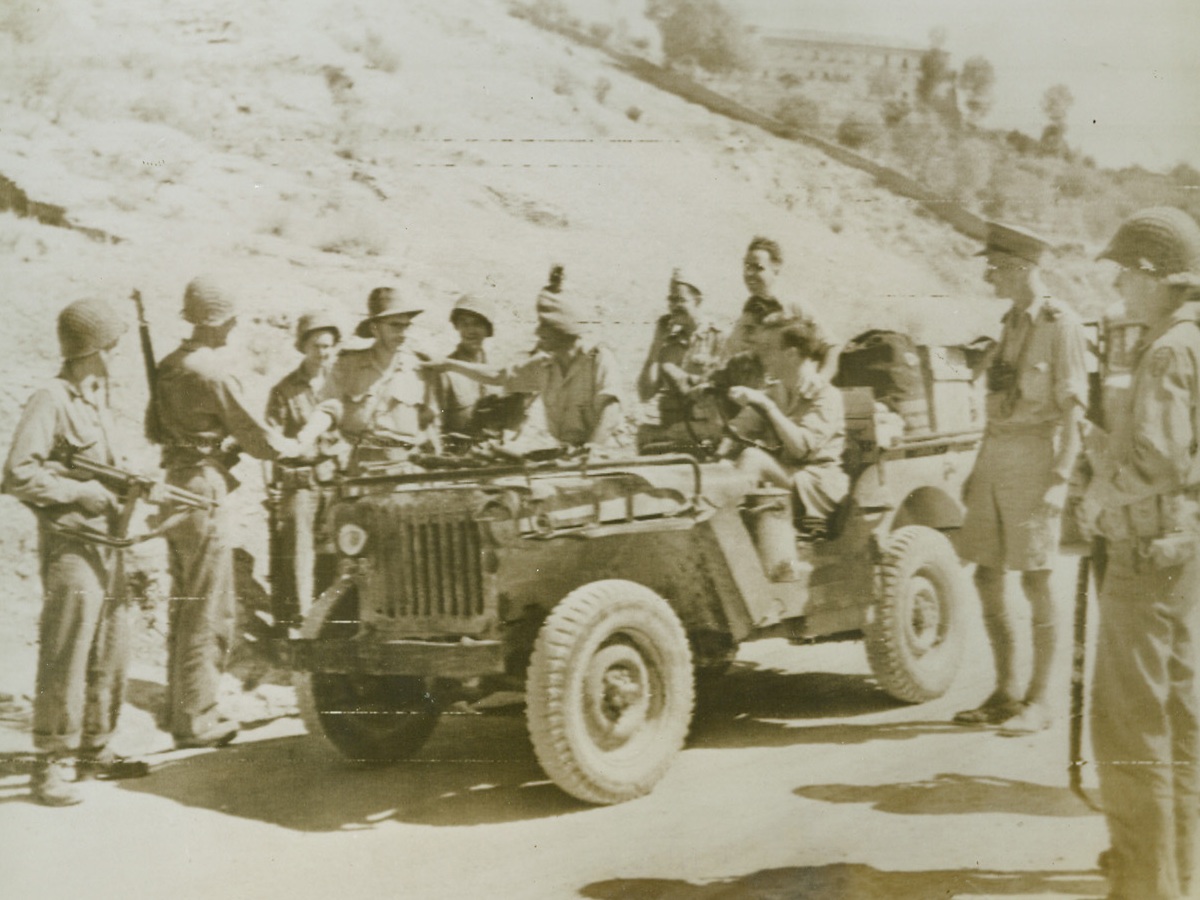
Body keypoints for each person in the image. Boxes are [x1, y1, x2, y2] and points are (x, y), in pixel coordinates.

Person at [1079, 206, 1200, 900]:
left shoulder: (1165, 349)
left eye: (1125, 272)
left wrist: (1100, 499)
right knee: (1177, 725)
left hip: (1143, 557)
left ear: (1155, 277)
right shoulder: (1188, 342)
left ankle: (1146, 888)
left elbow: (1156, 462)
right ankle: (1178, 876)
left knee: (1129, 731)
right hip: (1178, 553)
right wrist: (1102, 447)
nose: (1119, 285)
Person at [2, 298, 148, 805]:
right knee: (67, 649)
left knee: (111, 645)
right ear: (92, 348)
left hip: (107, 542)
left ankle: (94, 748)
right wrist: (78, 494)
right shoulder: (52, 398)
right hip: (71, 544)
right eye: (112, 345)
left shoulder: (93, 399)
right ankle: (52, 761)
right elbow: (19, 474)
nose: (118, 354)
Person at [154, 275, 300, 749]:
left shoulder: (169, 366)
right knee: (208, 608)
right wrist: (295, 448)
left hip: (174, 482)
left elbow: (152, 427)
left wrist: (203, 437)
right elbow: (258, 437)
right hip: (203, 488)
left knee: (183, 603)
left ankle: (182, 708)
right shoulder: (211, 371)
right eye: (231, 318)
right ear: (219, 321)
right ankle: (198, 718)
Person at [953, 222, 1088, 735]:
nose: (990, 276)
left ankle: (1040, 699)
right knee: (986, 575)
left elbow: (1075, 412)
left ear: (1025, 268)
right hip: (996, 458)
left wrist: (1060, 480)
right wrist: (976, 469)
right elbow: (997, 401)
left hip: (1036, 459)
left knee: (1035, 580)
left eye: (998, 267)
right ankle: (1005, 692)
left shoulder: (1061, 325)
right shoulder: (1010, 323)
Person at [429, 282, 623, 449]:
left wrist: (592, 450)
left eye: (544, 327)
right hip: (570, 456)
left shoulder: (598, 359)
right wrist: (448, 365)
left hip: (603, 458)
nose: (538, 333)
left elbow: (610, 412)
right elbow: (499, 376)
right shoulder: (544, 365)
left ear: (561, 329)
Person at [721, 313, 849, 524]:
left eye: (768, 349)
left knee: (753, 458)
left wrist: (766, 406)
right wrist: (722, 447)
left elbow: (801, 449)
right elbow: (739, 428)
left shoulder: (826, 395)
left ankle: (732, 530)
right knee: (723, 467)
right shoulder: (777, 390)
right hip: (787, 476)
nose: (760, 356)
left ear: (791, 354)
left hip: (816, 486)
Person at [297, 287, 441, 464]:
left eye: (406, 326)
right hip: (359, 468)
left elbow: (429, 423)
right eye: (395, 326)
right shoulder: (348, 365)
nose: (403, 333)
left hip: (404, 470)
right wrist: (306, 436)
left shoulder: (420, 367)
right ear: (374, 328)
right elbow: (328, 409)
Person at [265, 311, 342, 621]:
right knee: (298, 554)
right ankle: (299, 621)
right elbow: (273, 441)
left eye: (327, 346)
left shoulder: (339, 384)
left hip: (335, 479)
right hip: (300, 481)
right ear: (302, 347)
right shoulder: (284, 390)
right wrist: (276, 486)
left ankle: (331, 618)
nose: (322, 353)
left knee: (336, 551)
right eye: (316, 346)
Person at [723, 235, 840, 383]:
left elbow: (831, 347)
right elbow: (731, 355)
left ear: (775, 269)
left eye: (758, 268)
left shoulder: (794, 307)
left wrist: (821, 380)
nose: (749, 274)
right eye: (747, 267)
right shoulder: (747, 314)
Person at [635, 269, 724, 447]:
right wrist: (656, 346)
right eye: (671, 300)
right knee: (643, 436)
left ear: (697, 301)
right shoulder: (668, 345)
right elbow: (645, 393)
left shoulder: (718, 338)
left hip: (703, 432)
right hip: (672, 429)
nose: (674, 306)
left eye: (680, 300)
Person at [438, 293, 500, 438]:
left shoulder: (497, 369)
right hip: (458, 454)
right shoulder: (446, 371)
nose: (470, 330)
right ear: (457, 326)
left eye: (477, 323)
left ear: (487, 329)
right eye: (464, 323)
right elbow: (436, 424)